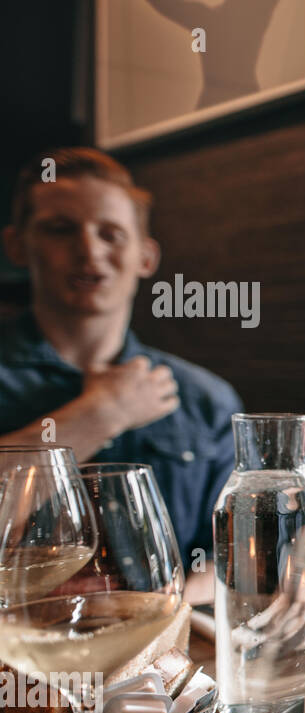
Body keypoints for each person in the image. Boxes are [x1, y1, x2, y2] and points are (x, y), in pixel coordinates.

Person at [0, 147, 242, 605]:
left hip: (163, 658)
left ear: (145, 258)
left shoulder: (206, 399)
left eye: (110, 233)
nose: (89, 251)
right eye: (60, 229)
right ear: (16, 246)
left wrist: (162, 612)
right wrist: (101, 413)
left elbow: (230, 557)